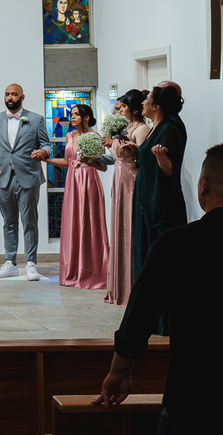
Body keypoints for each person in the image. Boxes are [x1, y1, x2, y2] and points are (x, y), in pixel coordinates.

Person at [96, 143, 223, 434]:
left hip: (191, 403)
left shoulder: (175, 243)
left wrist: (120, 371)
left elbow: (139, 315)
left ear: (203, 186)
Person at [0, 83, 51, 281]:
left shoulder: (36, 119)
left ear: (22, 97)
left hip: (29, 177)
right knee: (8, 222)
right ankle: (10, 263)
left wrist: (43, 152)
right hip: (4, 177)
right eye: (7, 94)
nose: (10, 98)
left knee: (29, 222)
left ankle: (31, 263)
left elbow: (47, 144)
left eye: (14, 94)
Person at [42, 104, 113, 289]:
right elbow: (68, 162)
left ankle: (95, 271)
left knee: (90, 225)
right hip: (72, 183)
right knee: (73, 224)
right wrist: (46, 160)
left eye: (76, 115)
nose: (72, 118)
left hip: (89, 182)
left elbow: (103, 166)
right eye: (71, 114)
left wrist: (89, 160)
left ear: (87, 117)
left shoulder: (96, 137)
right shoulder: (70, 136)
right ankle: (74, 271)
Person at [131, 84, 187, 316]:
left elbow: (169, 170)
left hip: (160, 200)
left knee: (159, 258)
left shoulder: (170, 129)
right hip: (147, 195)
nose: (142, 102)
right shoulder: (157, 127)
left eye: (148, 100)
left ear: (157, 106)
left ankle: (162, 317)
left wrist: (161, 156)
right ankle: (147, 313)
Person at [102, 90, 150, 306]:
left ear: (134, 109)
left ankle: (130, 287)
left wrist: (134, 149)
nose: (119, 111)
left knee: (129, 228)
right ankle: (118, 285)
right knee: (119, 229)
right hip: (119, 180)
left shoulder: (141, 129)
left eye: (122, 108)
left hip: (131, 179)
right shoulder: (127, 128)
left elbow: (144, 155)